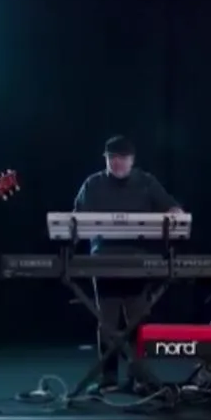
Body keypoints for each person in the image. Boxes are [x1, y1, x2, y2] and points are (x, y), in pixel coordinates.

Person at [72, 135, 182, 393]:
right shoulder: (93, 184)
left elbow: (172, 208)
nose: (117, 162)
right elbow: (75, 220)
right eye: (112, 158)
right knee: (107, 323)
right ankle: (108, 378)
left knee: (138, 322)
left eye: (123, 158)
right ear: (106, 160)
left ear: (132, 160)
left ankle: (140, 377)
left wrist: (175, 213)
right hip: (103, 261)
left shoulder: (146, 182)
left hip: (139, 261)